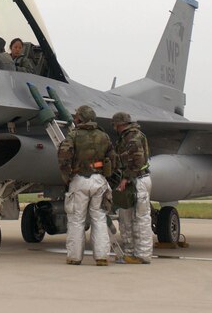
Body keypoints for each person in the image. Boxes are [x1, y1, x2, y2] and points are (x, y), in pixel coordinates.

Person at [57, 105, 115, 266]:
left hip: (79, 180)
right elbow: (113, 158)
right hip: (99, 180)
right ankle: (102, 257)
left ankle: (75, 257)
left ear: (81, 118)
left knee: (76, 220)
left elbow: (63, 157)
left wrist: (67, 177)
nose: (75, 119)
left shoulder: (73, 135)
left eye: (77, 117)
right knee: (99, 219)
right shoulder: (104, 136)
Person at [111, 112, 152, 264]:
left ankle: (142, 255)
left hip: (137, 181)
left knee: (140, 219)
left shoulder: (132, 138)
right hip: (133, 180)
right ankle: (130, 252)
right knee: (126, 218)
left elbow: (137, 160)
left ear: (119, 124)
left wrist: (126, 178)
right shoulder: (128, 137)